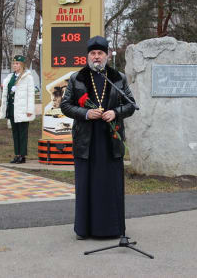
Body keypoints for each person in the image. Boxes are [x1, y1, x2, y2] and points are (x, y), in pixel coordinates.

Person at [60, 35, 136, 240]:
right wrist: (85, 113)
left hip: (110, 139)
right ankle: (84, 229)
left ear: (107, 55)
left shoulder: (118, 77)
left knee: (110, 184)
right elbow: (65, 105)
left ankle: (113, 228)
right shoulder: (78, 78)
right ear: (87, 56)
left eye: (100, 53)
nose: (96, 57)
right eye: (92, 53)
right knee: (87, 184)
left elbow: (131, 105)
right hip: (87, 140)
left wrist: (115, 112)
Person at [0, 55, 35, 164]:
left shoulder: (28, 77)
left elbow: (31, 94)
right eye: (14, 64)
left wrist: (30, 109)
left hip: (23, 109)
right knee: (15, 133)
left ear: (22, 65)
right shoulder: (10, 77)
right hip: (12, 109)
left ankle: (22, 156)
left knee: (22, 133)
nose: (15, 65)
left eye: (17, 63)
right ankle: (17, 154)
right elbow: (6, 90)